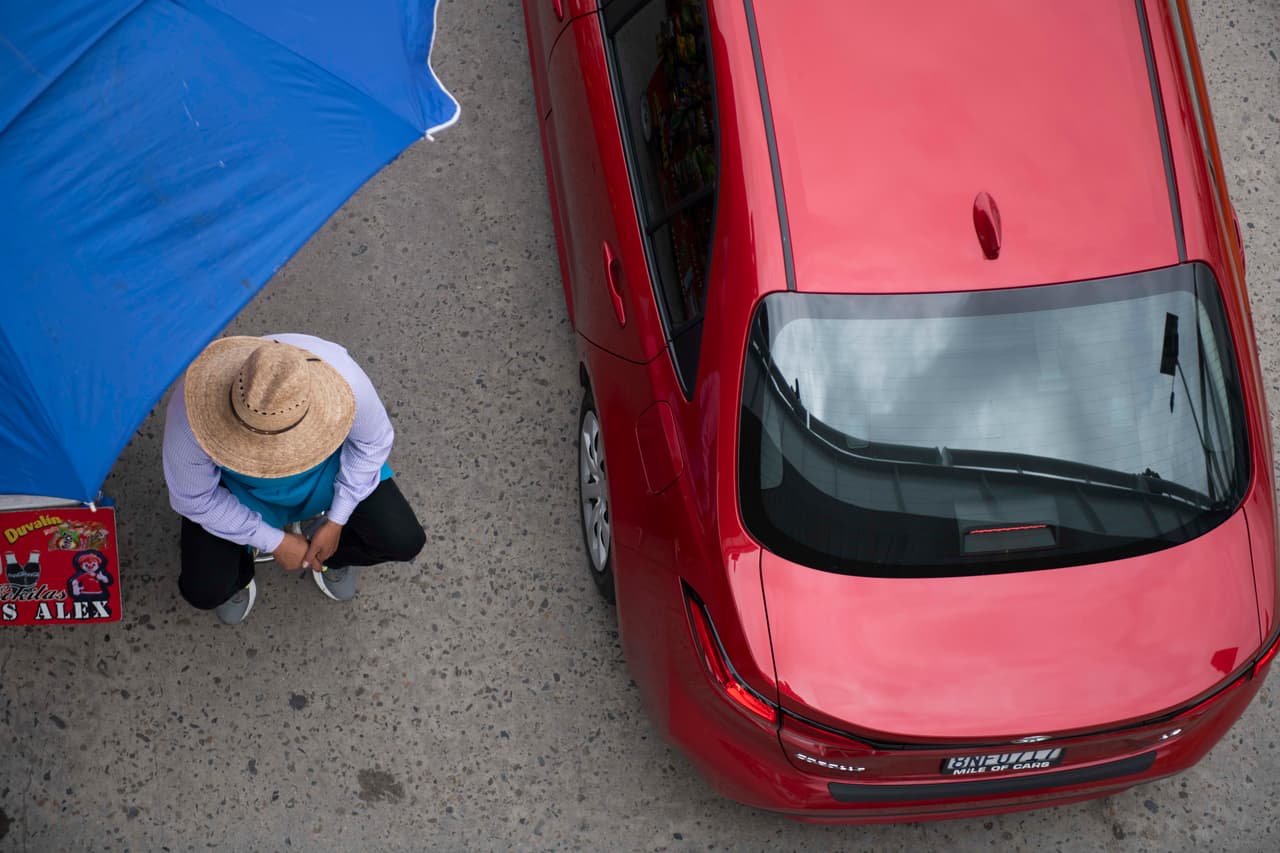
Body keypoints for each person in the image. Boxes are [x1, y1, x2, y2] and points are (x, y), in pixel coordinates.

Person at [163, 334, 425, 625]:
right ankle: (240, 573)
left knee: (403, 539)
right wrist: (274, 541)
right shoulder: (190, 410)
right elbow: (195, 497)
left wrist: (338, 519)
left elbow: (372, 444)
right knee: (203, 590)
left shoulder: (347, 380)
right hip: (239, 489)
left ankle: (326, 556)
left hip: (326, 473)